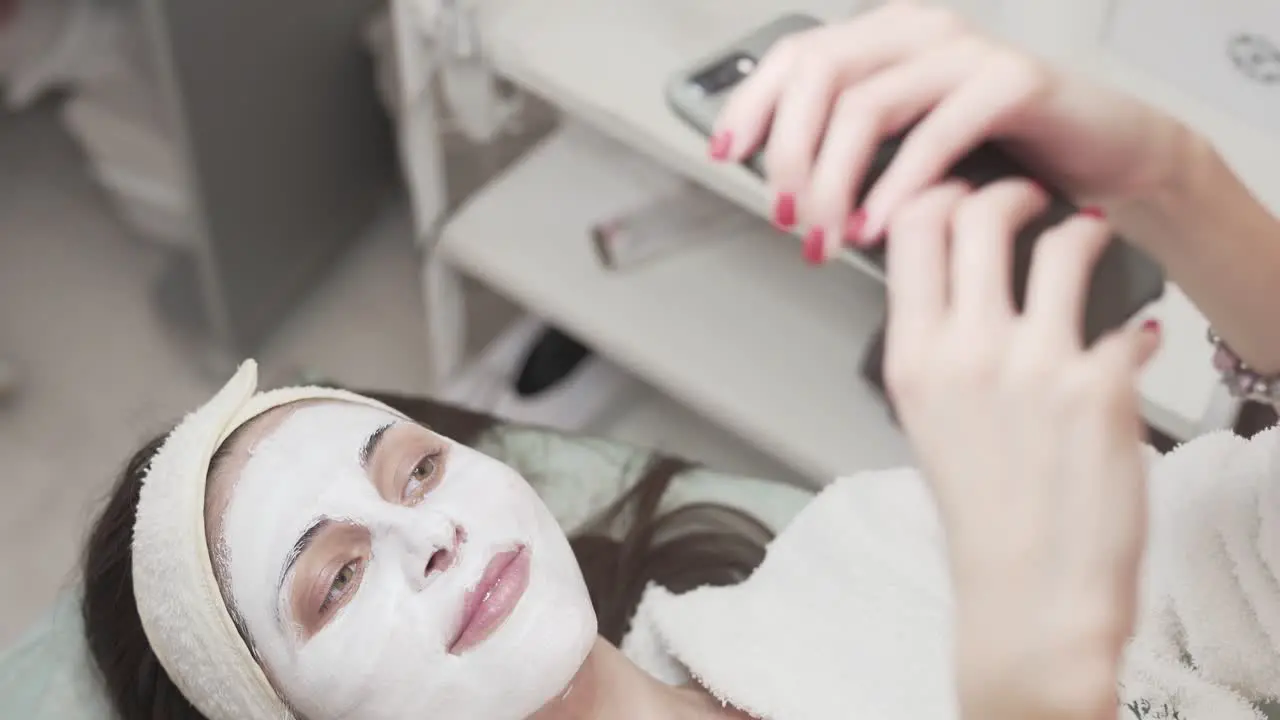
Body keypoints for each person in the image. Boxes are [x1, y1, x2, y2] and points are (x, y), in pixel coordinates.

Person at [80, 4, 1280, 719]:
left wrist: (1172, 184)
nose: (428, 533)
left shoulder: (867, 545)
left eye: (417, 473)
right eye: (334, 583)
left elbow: (1248, 562)